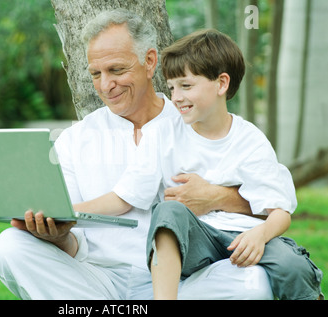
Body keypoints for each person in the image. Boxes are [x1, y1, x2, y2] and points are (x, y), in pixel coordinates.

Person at [0, 9, 274, 300]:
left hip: (185, 282)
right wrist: (57, 235)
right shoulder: (76, 139)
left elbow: (273, 203)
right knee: (10, 247)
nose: (105, 85)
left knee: (253, 282)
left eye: (116, 70)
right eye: (96, 74)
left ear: (149, 62)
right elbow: (74, 238)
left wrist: (218, 197)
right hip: (95, 281)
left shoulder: (198, 122)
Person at [74, 29, 323, 300]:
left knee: (293, 266)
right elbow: (124, 197)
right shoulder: (163, 134)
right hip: (193, 241)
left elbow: (280, 211)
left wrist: (260, 235)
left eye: (186, 86)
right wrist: (68, 210)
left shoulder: (249, 139)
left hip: (243, 235)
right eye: (171, 88)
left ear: (221, 84)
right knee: (169, 211)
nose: (176, 97)